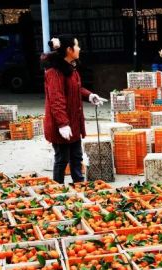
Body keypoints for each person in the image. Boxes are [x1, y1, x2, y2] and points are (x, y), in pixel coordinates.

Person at [42, 34, 105, 185]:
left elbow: (76, 88)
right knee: (62, 159)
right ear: (69, 50)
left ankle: (79, 184)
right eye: (76, 46)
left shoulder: (71, 68)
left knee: (76, 156)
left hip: (74, 122)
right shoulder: (54, 72)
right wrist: (63, 124)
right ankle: (57, 188)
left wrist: (90, 96)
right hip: (61, 124)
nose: (79, 48)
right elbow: (56, 100)